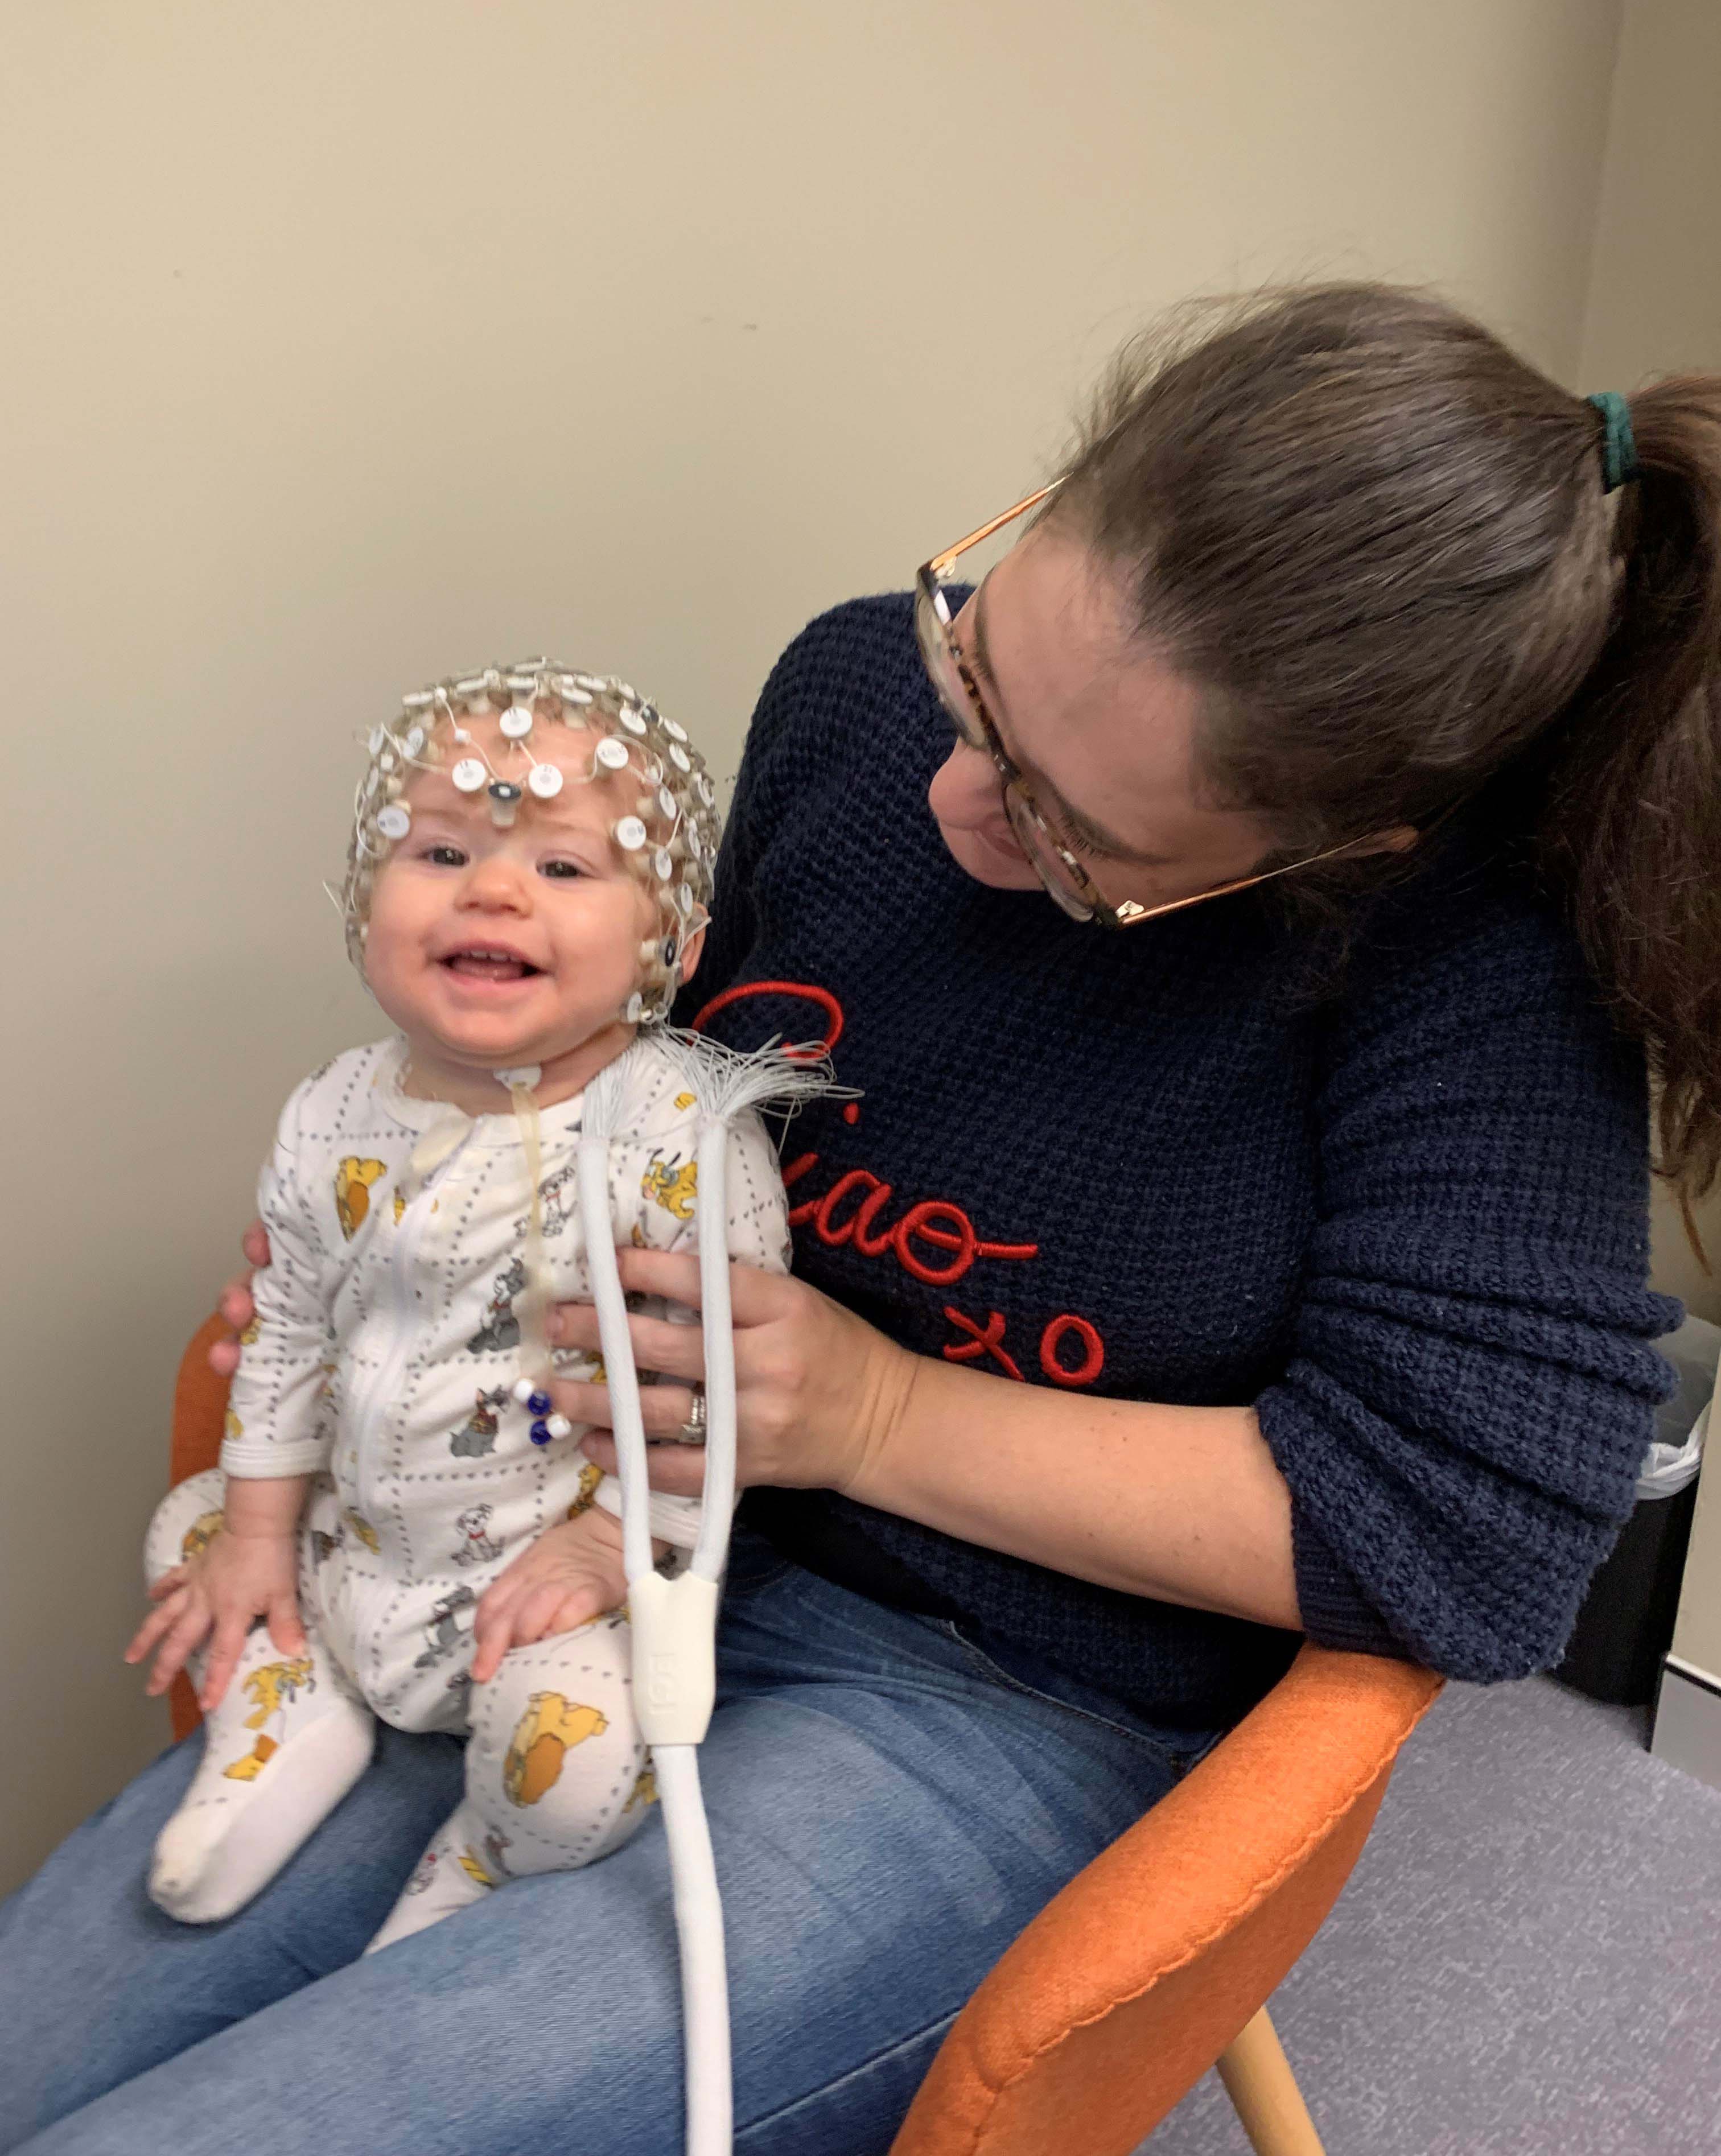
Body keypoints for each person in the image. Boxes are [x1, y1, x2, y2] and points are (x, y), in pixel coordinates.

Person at [3, 282, 1716, 2156]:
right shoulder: (853, 689)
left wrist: (878, 1412)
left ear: (1335, 848)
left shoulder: (1472, 967)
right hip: (590, 1521)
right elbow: (655, 1076)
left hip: (998, 1690)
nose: (949, 795)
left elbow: (1466, 1550)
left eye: (1074, 839)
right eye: (973, 662)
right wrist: (428, 1219)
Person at [119, 658, 804, 1948]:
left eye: (561, 867)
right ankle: (287, 1714)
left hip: (550, 1590)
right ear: (364, 900)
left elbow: (715, 1386)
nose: (492, 888)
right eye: (440, 849)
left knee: (596, 1752)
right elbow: (286, 1328)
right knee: (192, 1526)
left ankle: (487, 1858)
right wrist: (264, 1532)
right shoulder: (334, 1109)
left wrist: (612, 1548)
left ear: (674, 942)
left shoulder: (679, 1137)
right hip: (347, 1551)